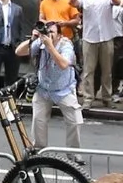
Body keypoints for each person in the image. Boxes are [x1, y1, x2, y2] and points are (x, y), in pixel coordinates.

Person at [30, 19, 84, 151]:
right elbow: (19, 52)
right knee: (38, 120)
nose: (49, 34)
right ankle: (39, 150)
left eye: (52, 32)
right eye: (47, 31)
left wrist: (50, 47)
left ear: (59, 35)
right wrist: (34, 38)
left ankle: (73, 153)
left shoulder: (66, 45)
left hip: (63, 90)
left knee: (75, 121)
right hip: (44, 89)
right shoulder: (41, 42)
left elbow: (64, 64)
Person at [75, 0, 120, 106]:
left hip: (106, 37)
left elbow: (119, 1)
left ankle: (107, 98)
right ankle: (88, 99)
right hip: (89, 38)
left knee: (107, 70)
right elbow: (71, 1)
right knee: (89, 71)